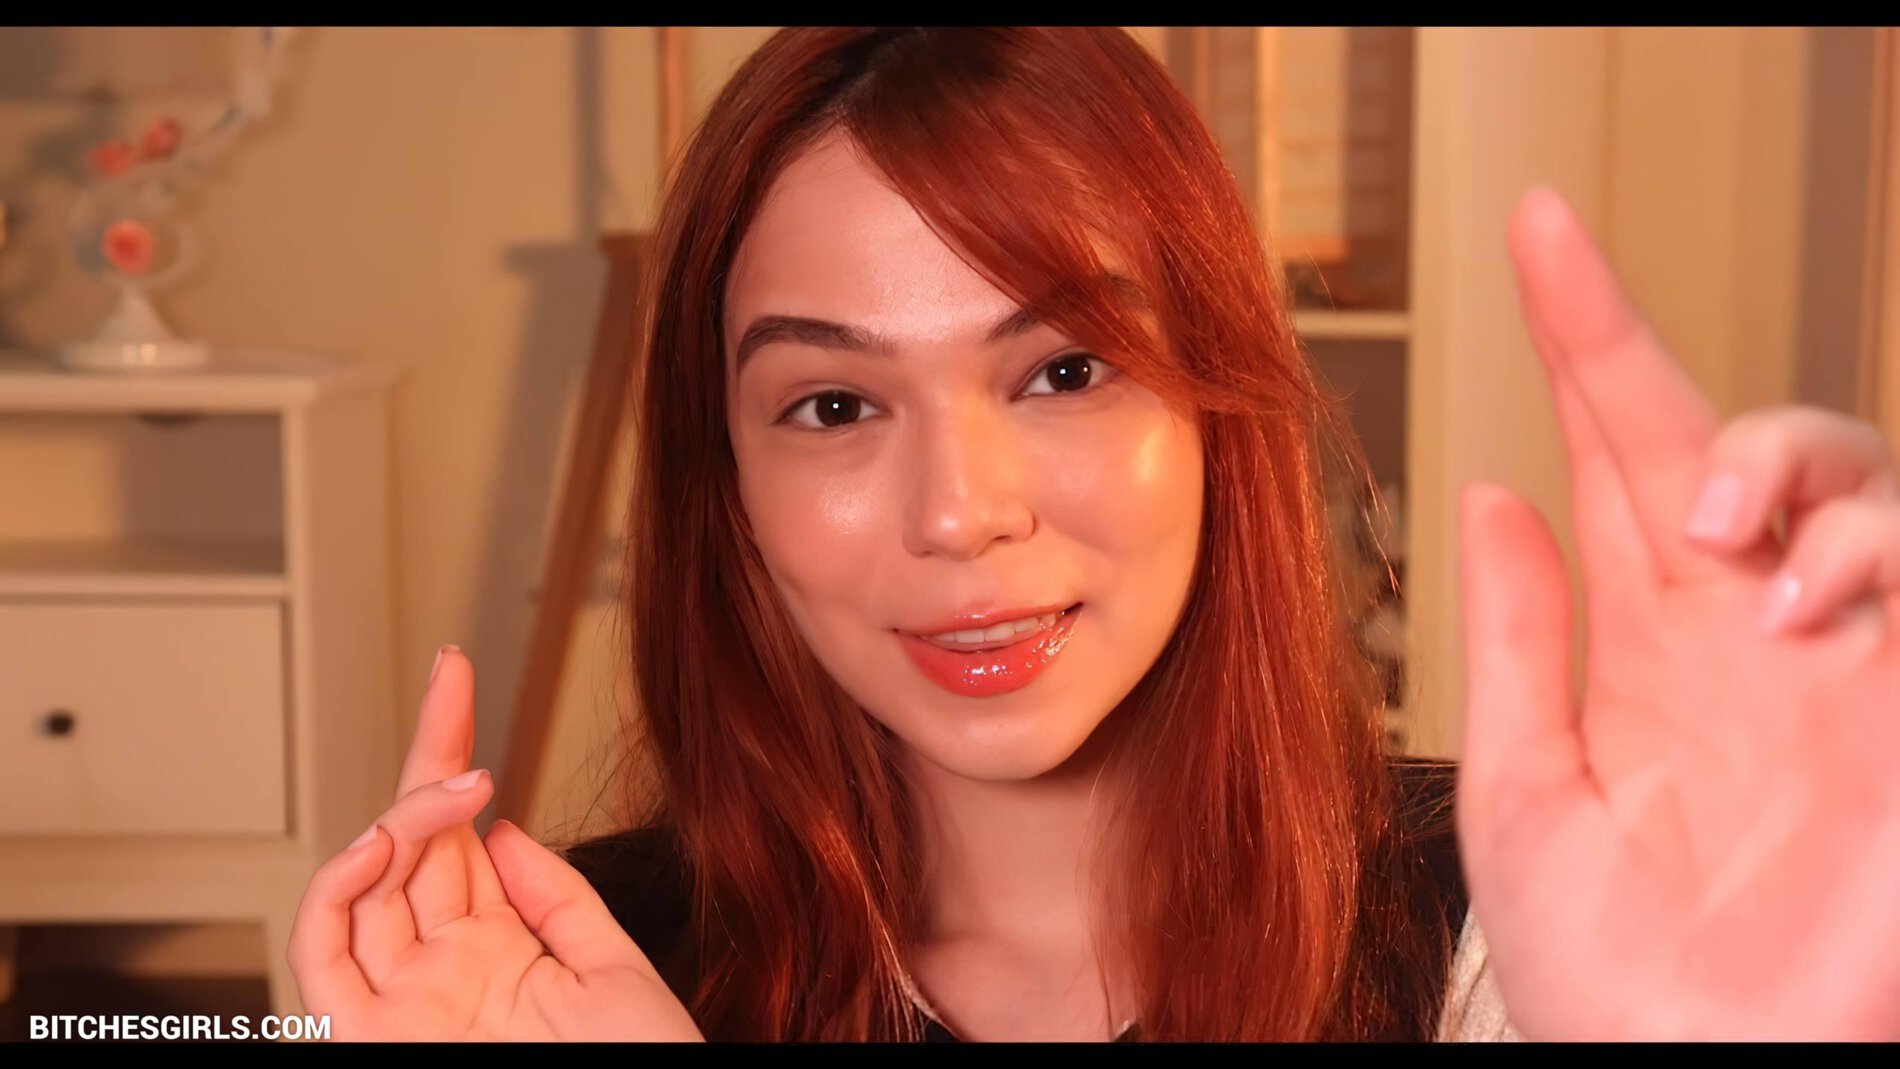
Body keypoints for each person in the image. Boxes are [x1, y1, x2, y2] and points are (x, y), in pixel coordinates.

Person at [286, 27, 1900, 1042]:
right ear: (730, 489)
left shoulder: (1519, 934)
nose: (961, 510)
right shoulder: (559, 984)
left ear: (1217, 406)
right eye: (833, 405)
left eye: (1065, 369)